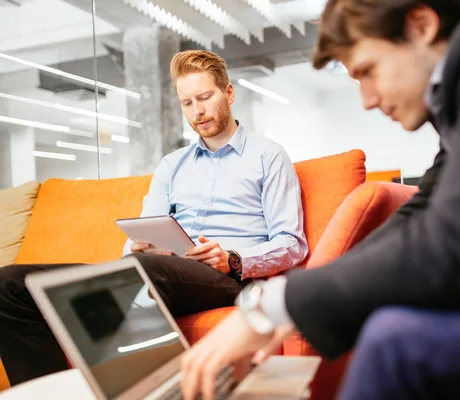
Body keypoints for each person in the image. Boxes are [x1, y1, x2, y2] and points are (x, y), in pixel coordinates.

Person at [178, 1, 460, 399]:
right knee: (392, 305)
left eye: (368, 70)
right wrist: (293, 302)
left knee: (394, 341)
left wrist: (273, 307)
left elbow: (456, 251)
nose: (368, 99)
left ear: (420, 25)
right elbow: (423, 213)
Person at [0, 50, 308, 386]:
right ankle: (57, 393)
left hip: (226, 277)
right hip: (162, 269)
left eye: (205, 97)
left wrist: (233, 259)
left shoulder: (269, 156)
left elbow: (292, 244)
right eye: (187, 103)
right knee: (10, 284)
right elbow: (145, 230)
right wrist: (137, 247)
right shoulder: (171, 165)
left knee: (140, 274)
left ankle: (141, 388)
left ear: (229, 93)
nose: (198, 111)